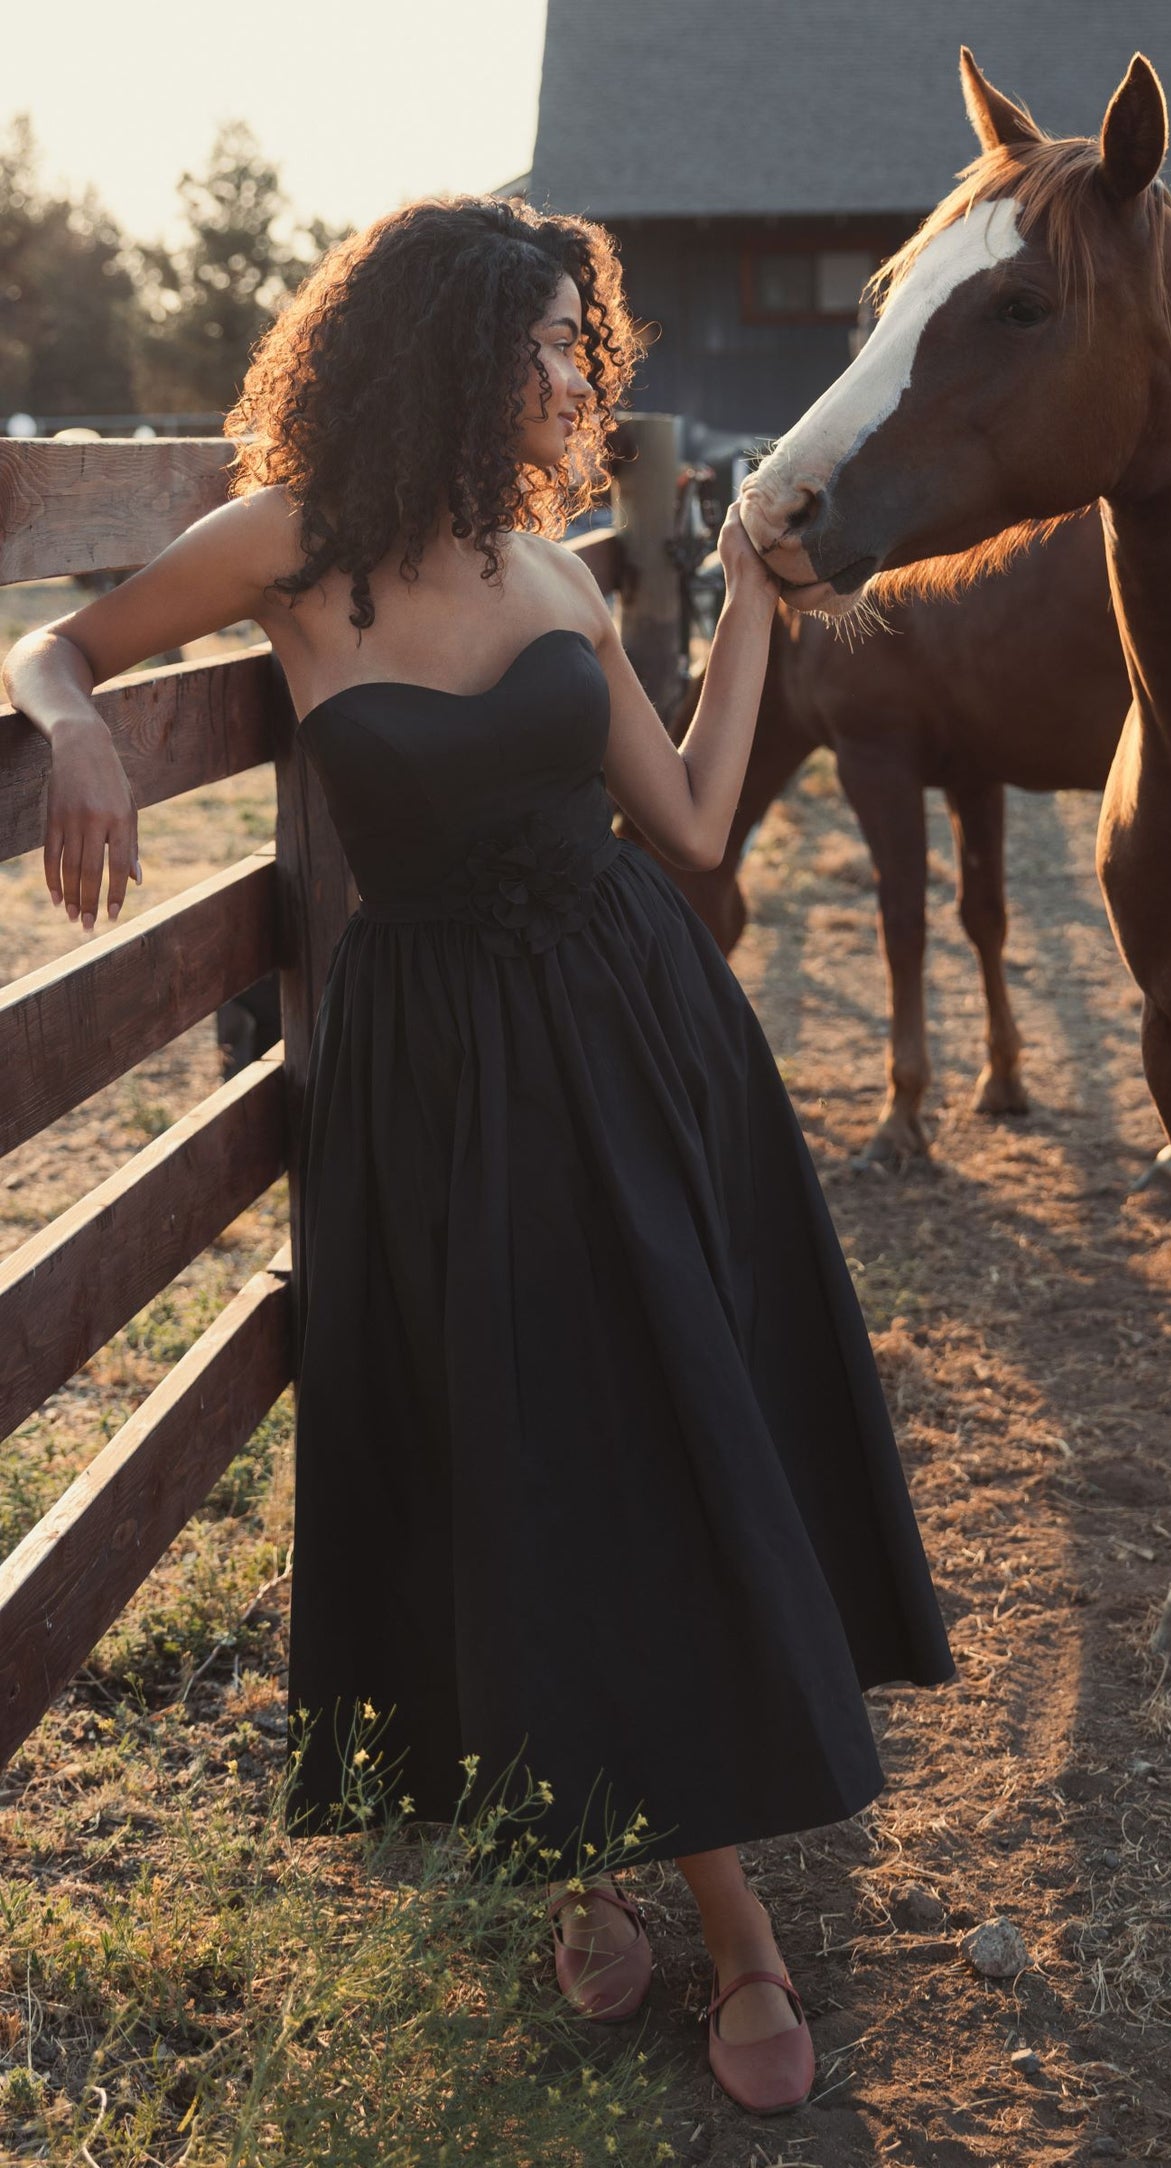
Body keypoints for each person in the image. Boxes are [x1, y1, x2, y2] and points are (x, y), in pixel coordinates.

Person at [1, 194, 955, 2117]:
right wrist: (78, 736)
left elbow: (687, 824)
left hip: (635, 1034)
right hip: (443, 1069)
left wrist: (757, 605)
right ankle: (582, 1842)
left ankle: (743, 1939)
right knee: (517, 1443)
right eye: (540, 345)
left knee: (649, 1421)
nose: (574, 379)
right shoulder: (299, 545)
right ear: (445, 351)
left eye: (577, 345)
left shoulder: (552, 574)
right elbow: (56, 644)